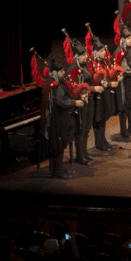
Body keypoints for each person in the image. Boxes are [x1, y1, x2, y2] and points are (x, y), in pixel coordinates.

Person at [48, 59, 83, 178]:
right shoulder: (53, 85)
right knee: (59, 144)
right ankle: (57, 170)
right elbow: (61, 101)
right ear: (55, 73)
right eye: (61, 72)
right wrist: (74, 103)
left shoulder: (59, 84)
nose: (64, 74)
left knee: (63, 143)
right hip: (58, 119)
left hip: (63, 117)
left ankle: (60, 167)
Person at [66, 34, 95, 164]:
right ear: (77, 56)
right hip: (79, 104)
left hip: (89, 100)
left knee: (87, 127)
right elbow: (71, 88)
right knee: (80, 129)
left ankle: (85, 151)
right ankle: (80, 155)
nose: (86, 57)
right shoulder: (73, 69)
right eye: (83, 55)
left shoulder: (84, 66)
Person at [84, 27, 113, 151]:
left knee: (103, 117)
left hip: (104, 93)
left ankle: (103, 138)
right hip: (96, 95)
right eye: (100, 51)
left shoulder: (103, 63)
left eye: (103, 51)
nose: (103, 53)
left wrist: (106, 82)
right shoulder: (91, 65)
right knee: (98, 118)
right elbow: (91, 79)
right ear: (95, 52)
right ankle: (98, 141)